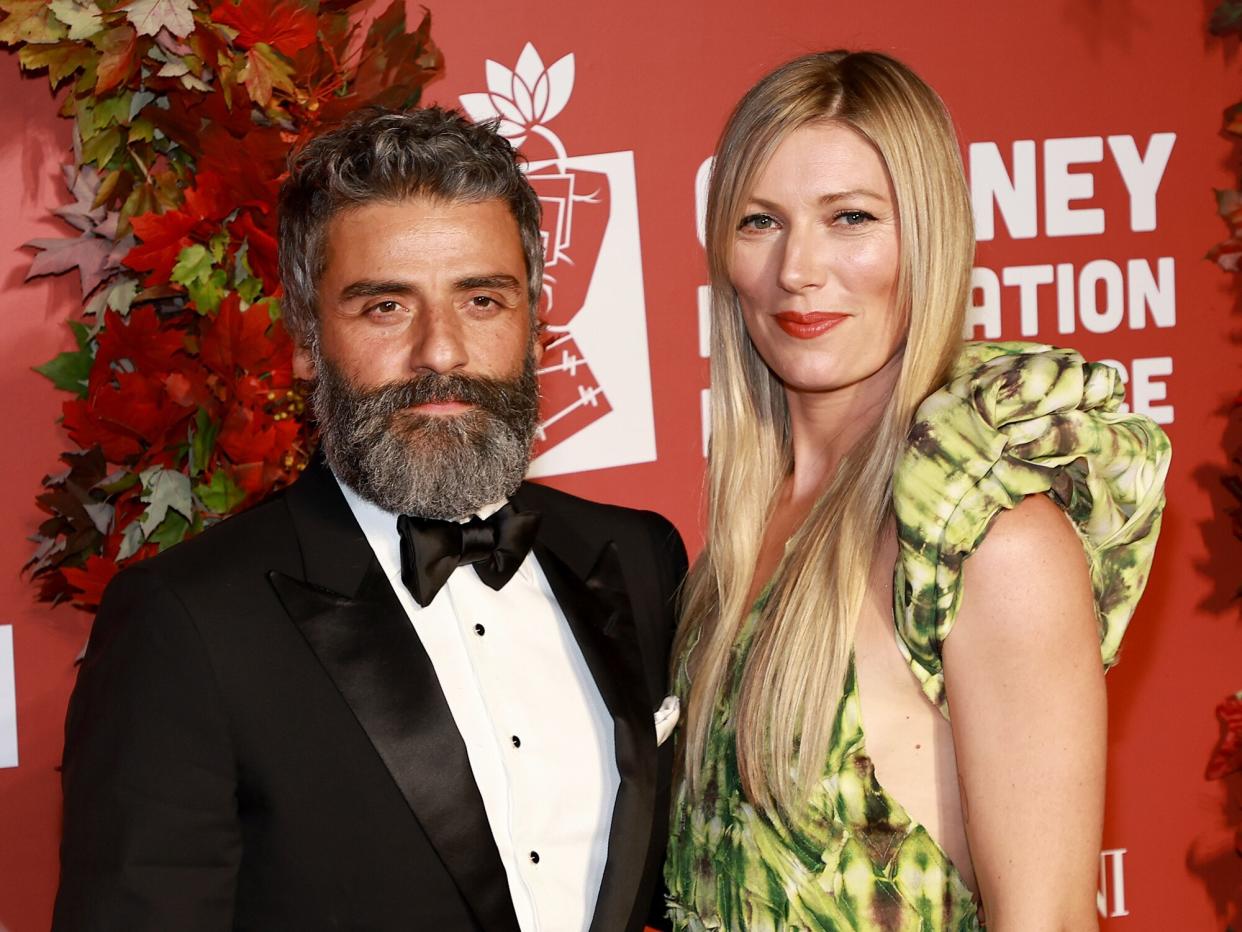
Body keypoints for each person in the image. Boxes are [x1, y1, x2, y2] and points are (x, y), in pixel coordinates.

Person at [54, 106, 687, 932]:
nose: (441, 352)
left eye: (483, 300)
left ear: (534, 321)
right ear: (308, 339)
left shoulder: (639, 556)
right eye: (385, 307)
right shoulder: (187, 623)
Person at [664, 51, 1169, 930]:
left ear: (929, 239)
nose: (798, 269)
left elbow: (1045, 921)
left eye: (851, 217)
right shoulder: (746, 531)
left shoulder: (988, 541)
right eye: (760, 222)